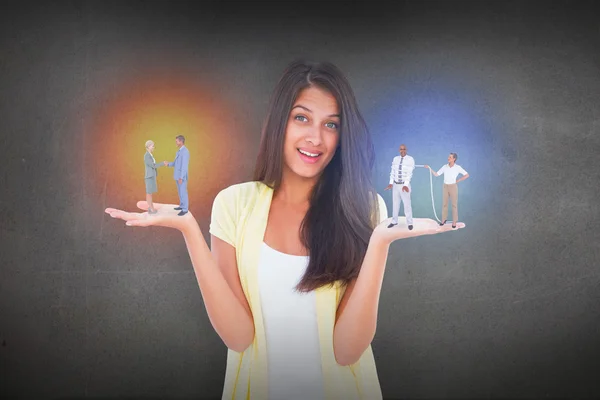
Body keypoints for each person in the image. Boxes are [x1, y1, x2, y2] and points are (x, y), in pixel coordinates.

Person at [106, 61, 462, 400]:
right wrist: (188, 230)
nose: (316, 138)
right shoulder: (234, 204)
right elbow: (239, 337)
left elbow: (348, 350)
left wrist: (380, 242)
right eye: (302, 118)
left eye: (331, 124)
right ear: (280, 122)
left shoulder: (365, 209)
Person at [425, 152, 469, 229]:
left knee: (454, 205)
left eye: (450, 157)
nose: (448, 158)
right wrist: (429, 168)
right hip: (445, 186)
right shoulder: (445, 167)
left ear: (454, 159)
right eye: (448, 157)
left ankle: (454, 221)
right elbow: (436, 174)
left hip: (453, 187)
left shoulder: (457, 167)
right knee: (444, 204)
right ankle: (443, 220)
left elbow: (467, 175)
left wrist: (458, 180)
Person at [384, 144, 415, 230]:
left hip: (404, 185)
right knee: (395, 204)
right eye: (401, 149)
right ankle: (394, 221)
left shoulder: (410, 159)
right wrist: (391, 183)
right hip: (395, 185)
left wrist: (405, 185)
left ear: (406, 149)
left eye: (404, 149)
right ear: (399, 150)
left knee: (407, 205)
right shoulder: (395, 159)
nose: (402, 151)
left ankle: (409, 223)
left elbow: (409, 174)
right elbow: (392, 172)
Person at [163, 135, 190, 216]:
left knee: (183, 192)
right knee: (180, 192)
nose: (176, 143)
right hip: (177, 176)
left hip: (181, 177)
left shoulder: (185, 152)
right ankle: (182, 206)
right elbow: (175, 164)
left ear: (181, 142)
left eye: (177, 141)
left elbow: (184, 166)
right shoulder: (179, 151)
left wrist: (181, 177)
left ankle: (185, 209)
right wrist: (168, 164)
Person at [143, 140, 163, 214]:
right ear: (148, 146)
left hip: (151, 177)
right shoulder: (146, 155)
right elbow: (153, 165)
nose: (154, 147)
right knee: (149, 193)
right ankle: (151, 209)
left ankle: (150, 208)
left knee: (150, 193)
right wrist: (162, 163)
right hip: (149, 177)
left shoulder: (150, 155)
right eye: (153, 146)